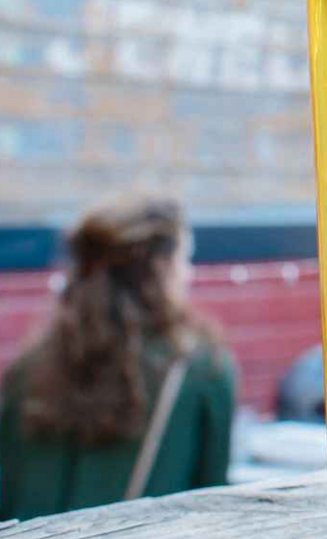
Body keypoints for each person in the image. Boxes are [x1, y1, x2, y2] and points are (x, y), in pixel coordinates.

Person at [0, 196, 236, 521]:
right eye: (185, 259)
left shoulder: (27, 367)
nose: (188, 274)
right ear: (158, 267)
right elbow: (214, 507)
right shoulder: (201, 370)